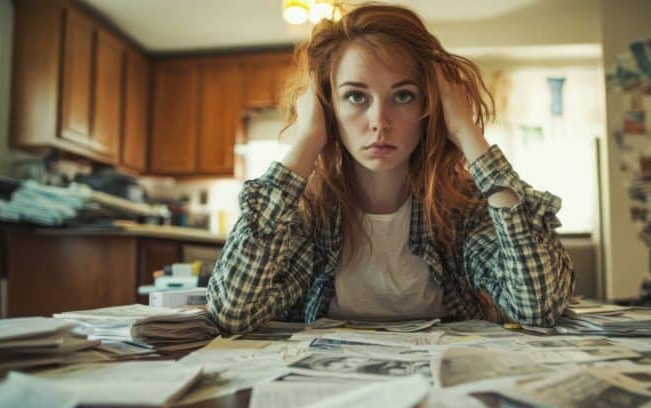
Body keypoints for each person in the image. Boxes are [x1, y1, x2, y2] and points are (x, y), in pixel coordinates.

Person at [207, 3, 575, 334]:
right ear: (327, 107)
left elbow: (537, 308)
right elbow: (233, 312)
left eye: (403, 96)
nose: (379, 121)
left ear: (429, 107)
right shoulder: (307, 215)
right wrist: (305, 141)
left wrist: (467, 132)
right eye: (355, 96)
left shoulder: (462, 210)